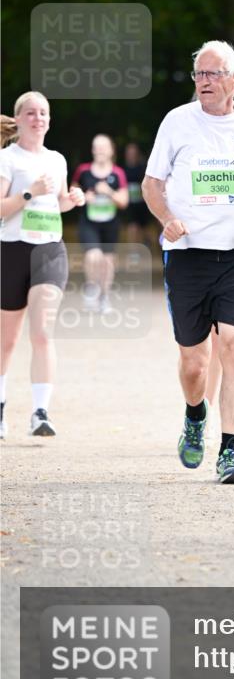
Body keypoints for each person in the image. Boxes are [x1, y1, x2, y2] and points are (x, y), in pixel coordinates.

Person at [142, 39, 234, 484]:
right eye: (199, 74)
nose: (204, 82)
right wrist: (167, 219)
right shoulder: (177, 122)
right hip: (188, 255)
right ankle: (193, 414)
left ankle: (230, 450)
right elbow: (152, 184)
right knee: (195, 363)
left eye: (213, 74)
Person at [0, 92, 85, 439]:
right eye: (31, 113)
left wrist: (72, 199)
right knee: (6, 341)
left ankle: (40, 411)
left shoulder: (57, 159)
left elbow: (59, 203)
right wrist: (29, 192)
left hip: (49, 250)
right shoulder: (7, 158)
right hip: (12, 250)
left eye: (44, 113)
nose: (38, 118)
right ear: (18, 120)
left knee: (42, 332)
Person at [72, 135, 129, 314]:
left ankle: (104, 298)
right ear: (92, 150)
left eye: (104, 147)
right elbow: (72, 192)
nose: (100, 150)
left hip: (110, 223)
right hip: (89, 222)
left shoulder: (118, 173)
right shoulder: (83, 171)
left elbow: (124, 201)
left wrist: (109, 192)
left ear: (111, 150)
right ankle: (91, 288)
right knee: (93, 256)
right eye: (96, 147)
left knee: (107, 262)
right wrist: (82, 197)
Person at [122, 142, 152, 247]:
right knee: (132, 226)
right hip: (129, 203)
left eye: (133, 153)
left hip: (142, 203)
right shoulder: (123, 170)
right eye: (129, 153)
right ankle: (133, 251)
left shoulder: (143, 168)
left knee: (144, 227)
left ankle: (147, 241)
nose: (131, 155)